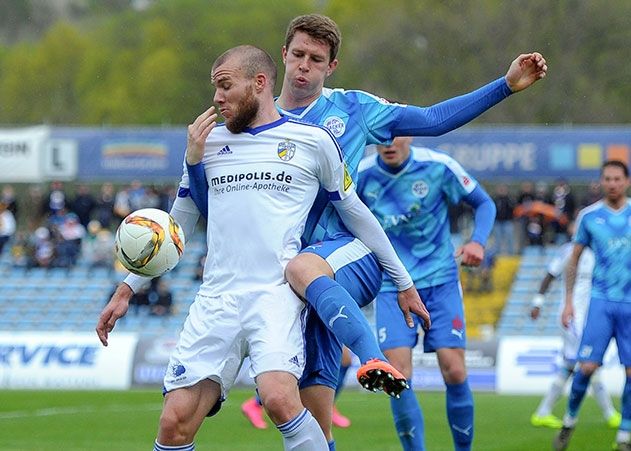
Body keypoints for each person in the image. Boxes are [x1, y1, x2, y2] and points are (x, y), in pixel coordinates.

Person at [187, 14, 546, 447]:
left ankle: (370, 357)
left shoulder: (353, 109)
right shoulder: (248, 125)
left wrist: (504, 85)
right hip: (281, 284)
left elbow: (432, 119)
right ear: (282, 56)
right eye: (298, 54)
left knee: (305, 271)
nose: (304, 65)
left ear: (330, 67)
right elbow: (210, 208)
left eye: (316, 59)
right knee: (311, 425)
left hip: (339, 260)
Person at [96, 44, 428, 451]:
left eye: (225, 86)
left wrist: (403, 281)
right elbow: (177, 224)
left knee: (278, 399)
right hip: (216, 299)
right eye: (214, 88)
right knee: (174, 422)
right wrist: (127, 288)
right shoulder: (208, 145)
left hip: (275, 297)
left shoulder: (313, 140)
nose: (217, 98)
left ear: (259, 84)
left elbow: (358, 214)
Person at [357, 137, 496, 451]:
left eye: (396, 136)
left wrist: (478, 241)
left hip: (440, 281)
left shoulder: (438, 166)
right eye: (381, 137)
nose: (389, 143)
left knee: (456, 370)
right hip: (393, 285)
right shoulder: (361, 174)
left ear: (410, 135)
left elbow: (484, 203)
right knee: (398, 376)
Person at [553, 160, 631, 451]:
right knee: (585, 367)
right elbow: (573, 260)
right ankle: (569, 420)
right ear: (602, 182)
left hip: (630, 304)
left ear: (626, 181)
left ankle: (624, 434)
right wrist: (569, 302)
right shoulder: (589, 217)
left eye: (617, 178)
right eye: (607, 178)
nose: (612, 183)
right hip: (600, 303)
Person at [529, 221, 620, 429]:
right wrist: (538, 303)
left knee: (570, 365)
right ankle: (610, 414)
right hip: (572, 318)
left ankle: (543, 411)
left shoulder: (599, 251)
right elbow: (549, 276)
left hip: (590, 317)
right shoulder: (568, 251)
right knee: (590, 364)